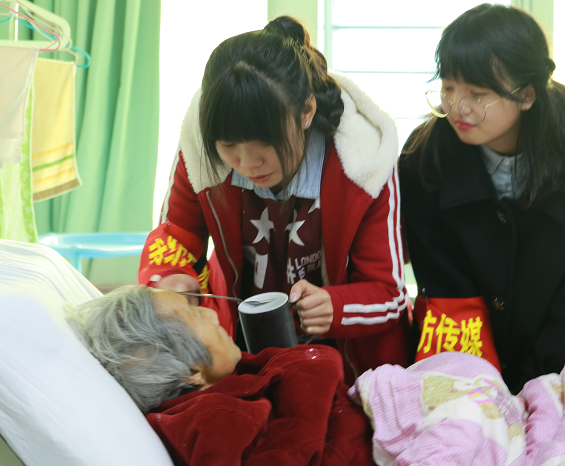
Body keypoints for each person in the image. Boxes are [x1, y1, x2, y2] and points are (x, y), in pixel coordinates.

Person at [398, 4, 565, 393]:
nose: (457, 107)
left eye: (477, 94)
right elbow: (447, 291)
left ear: (526, 95)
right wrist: (488, 397)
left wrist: (535, 391)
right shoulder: (423, 161)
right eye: (449, 87)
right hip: (468, 362)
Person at [138, 16, 409, 384]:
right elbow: (176, 235)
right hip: (243, 350)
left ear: (306, 112)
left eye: (264, 143)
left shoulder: (363, 162)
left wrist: (337, 306)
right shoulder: (199, 150)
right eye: (229, 145)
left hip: (354, 368)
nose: (247, 163)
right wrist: (170, 279)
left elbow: (390, 293)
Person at [66, 285, 374, 466]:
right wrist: (308, 370)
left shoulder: (227, 384)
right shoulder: (213, 419)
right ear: (192, 372)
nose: (212, 314)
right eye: (195, 315)